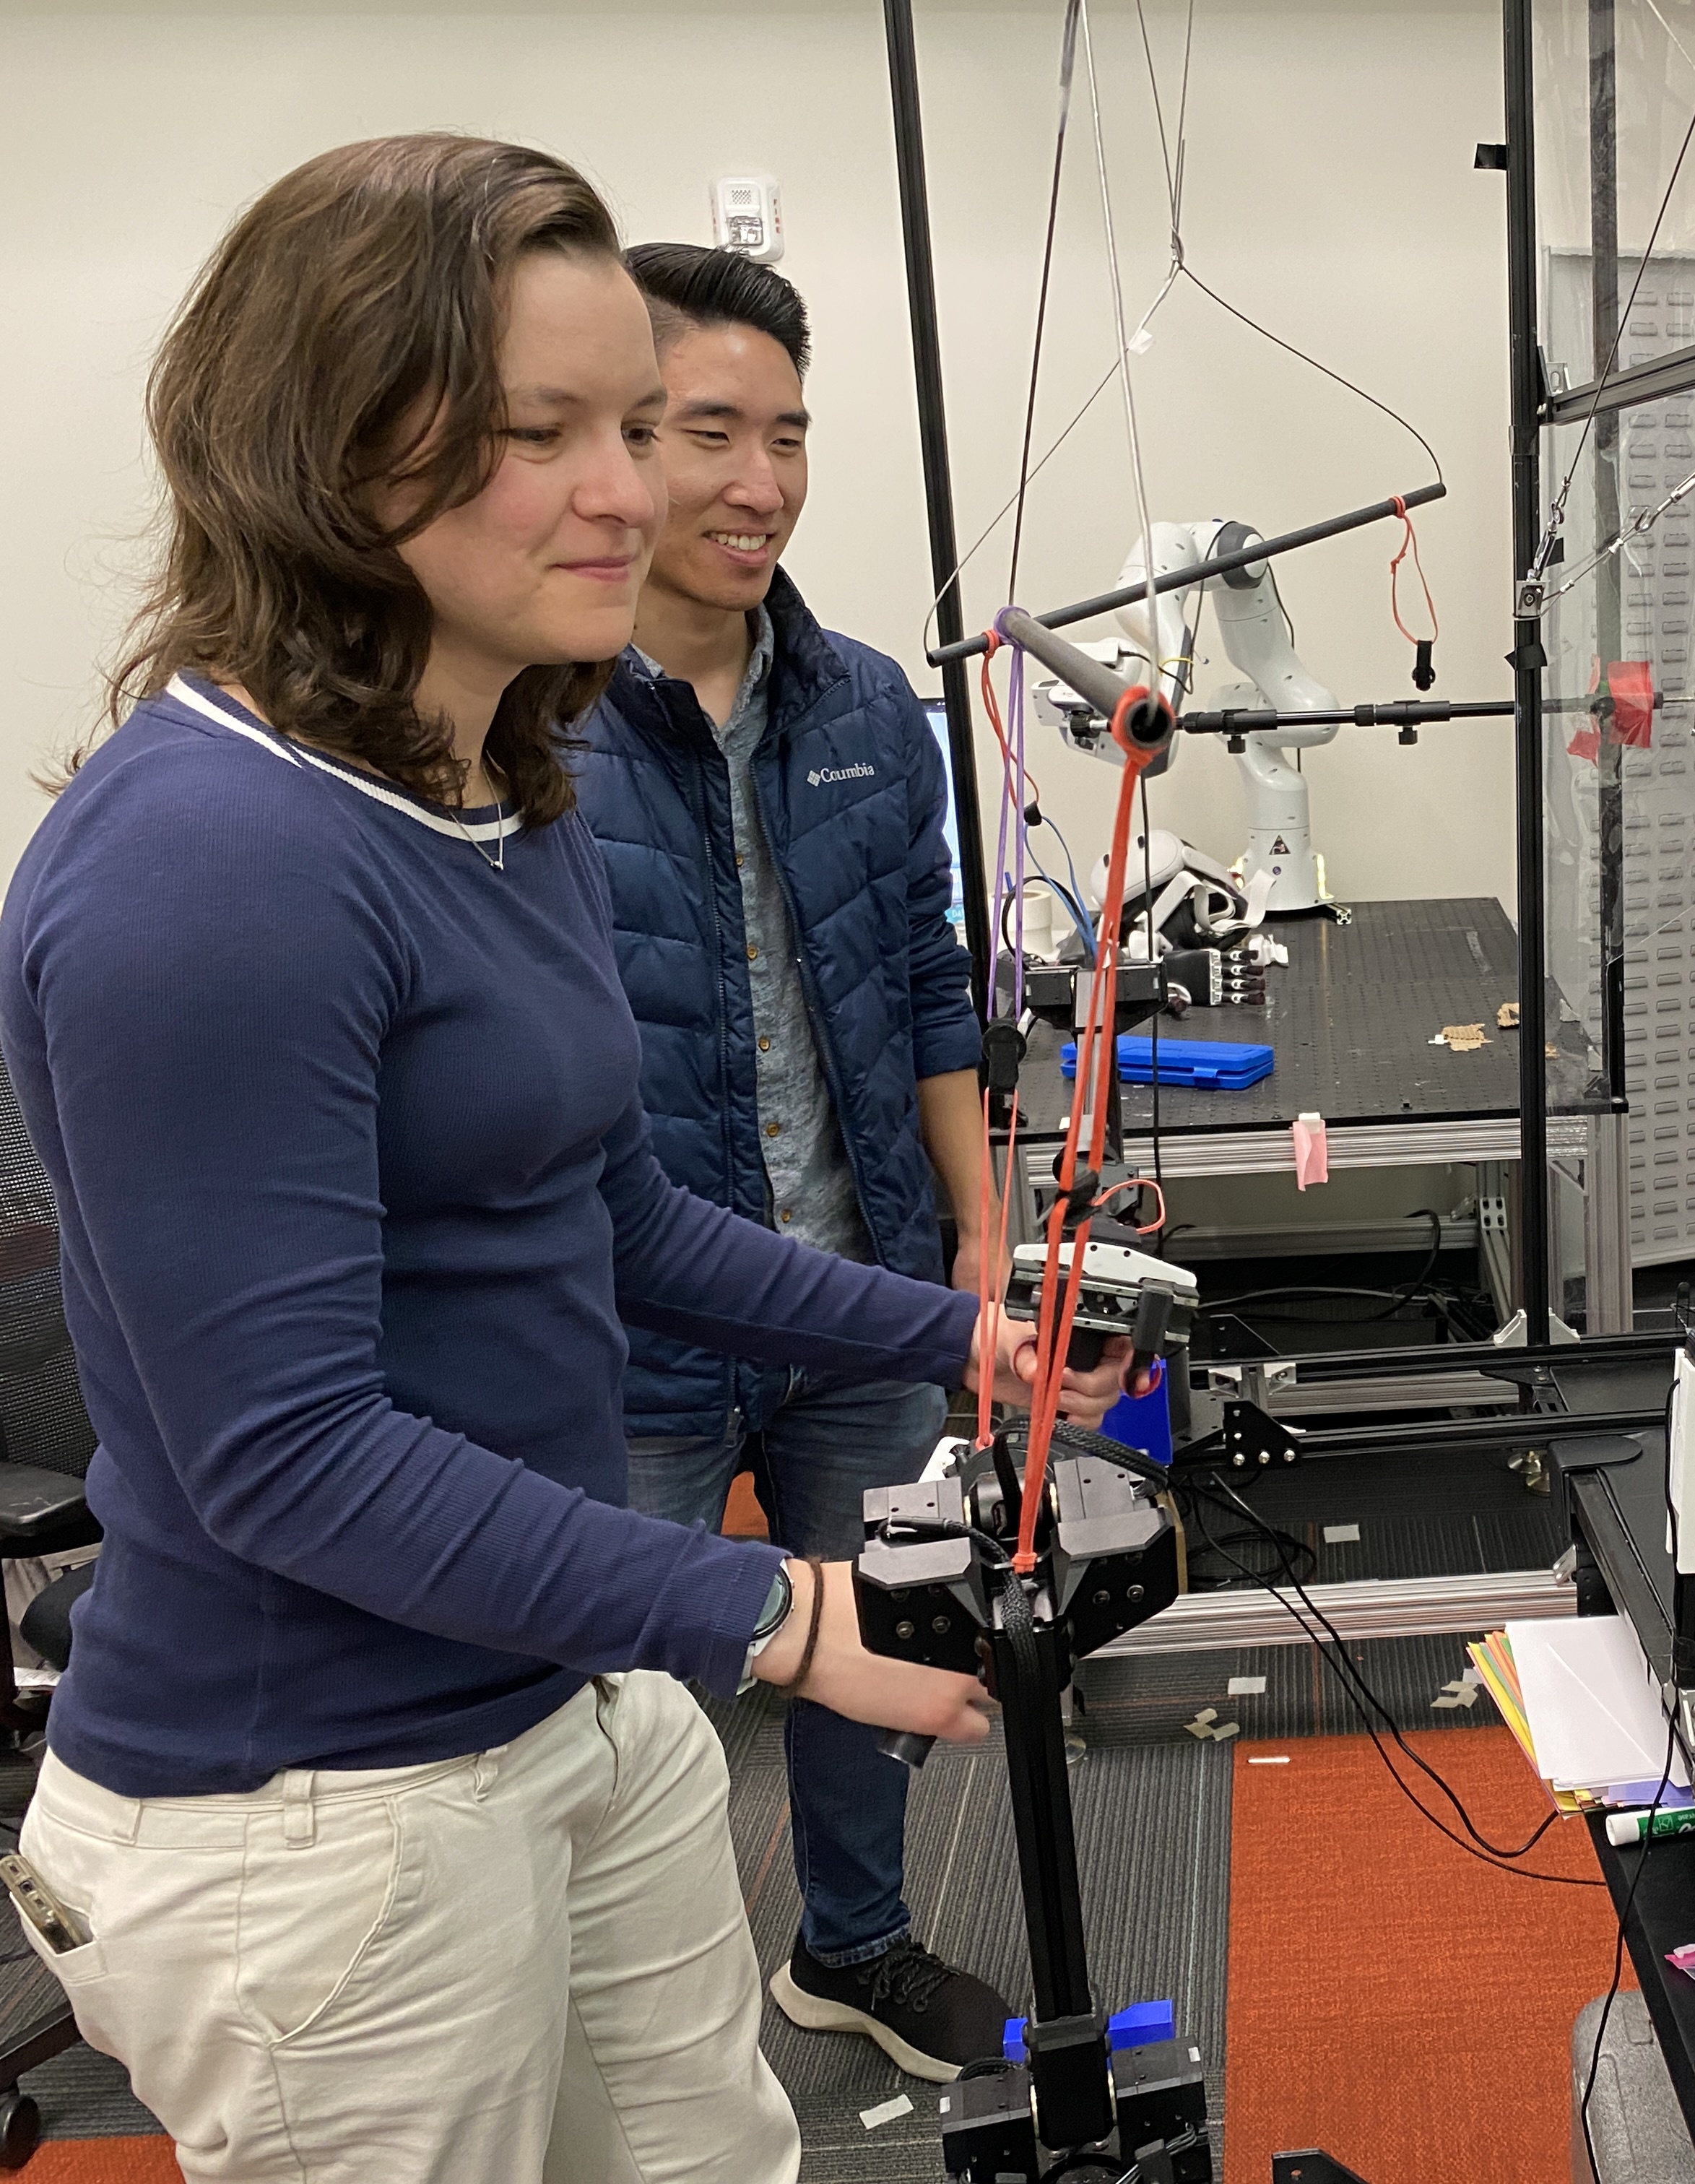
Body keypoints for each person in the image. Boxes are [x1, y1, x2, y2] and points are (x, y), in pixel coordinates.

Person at [0, 134, 1126, 2183]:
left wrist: (962, 1336)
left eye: (639, 420)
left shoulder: (499, 770)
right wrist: (777, 1613)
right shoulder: (211, 862)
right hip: (315, 1803)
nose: (643, 491)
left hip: (565, 1693)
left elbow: (609, 1217)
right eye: (550, 433)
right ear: (326, 450)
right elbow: (287, 1457)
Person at [570, 243, 1025, 2079]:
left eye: (789, 436)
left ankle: (853, 1947)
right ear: (616, 442)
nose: (757, 484)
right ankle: (651, 2020)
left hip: (853, 1289)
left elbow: (925, 970)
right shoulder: (528, 720)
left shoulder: (855, 706)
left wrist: (974, 1231)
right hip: (635, 1321)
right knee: (636, 1701)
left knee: (878, 1638)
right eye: (707, 434)